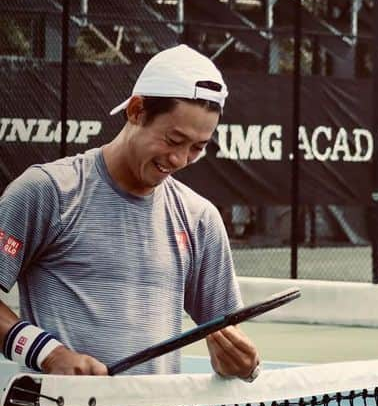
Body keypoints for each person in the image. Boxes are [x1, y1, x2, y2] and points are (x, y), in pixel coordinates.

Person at [0, 43, 260, 377]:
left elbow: (230, 338)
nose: (180, 160)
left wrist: (243, 364)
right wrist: (48, 353)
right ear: (136, 110)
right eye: (173, 139)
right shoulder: (46, 191)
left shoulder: (200, 219)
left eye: (197, 147)